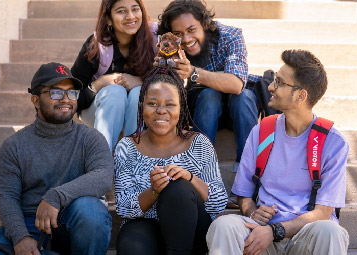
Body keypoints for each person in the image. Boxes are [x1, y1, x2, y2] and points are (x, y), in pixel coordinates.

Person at [206, 50, 349, 255]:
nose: (271, 87)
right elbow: (243, 196)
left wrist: (275, 230)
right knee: (224, 226)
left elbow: (323, 213)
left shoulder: (332, 143)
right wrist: (253, 212)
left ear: (301, 96)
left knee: (330, 231)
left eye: (280, 82)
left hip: (304, 236)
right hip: (260, 234)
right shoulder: (262, 132)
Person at [0, 62, 113, 255]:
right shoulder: (13, 146)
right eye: (56, 92)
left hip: (71, 222)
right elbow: (8, 198)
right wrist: (21, 236)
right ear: (35, 100)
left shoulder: (90, 138)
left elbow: (104, 176)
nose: (66, 99)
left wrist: (56, 196)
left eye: (72, 93)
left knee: (91, 211)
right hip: (29, 224)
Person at [114, 67, 227, 255]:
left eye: (170, 104)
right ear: (141, 106)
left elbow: (219, 203)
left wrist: (190, 178)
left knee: (178, 188)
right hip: (146, 226)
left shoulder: (199, 144)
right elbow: (124, 207)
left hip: (192, 230)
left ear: (181, 107)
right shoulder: (127, 147)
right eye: (152, 103)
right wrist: (154, 191)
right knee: (131, 246)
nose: (161, 111)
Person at [156, 0, 259, 173]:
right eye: (178, 33)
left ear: (204, 24)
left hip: (237, 108)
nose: (187, 39)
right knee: (209, 95)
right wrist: (164, 71)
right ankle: (201, 169)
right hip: (202, 109)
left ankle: (248, 171)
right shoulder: (170, 45)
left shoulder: (230, 35)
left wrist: (193, 72)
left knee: (245, 96)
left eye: (191, 30)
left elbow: (236, 85)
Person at [71, 0, 157, 153]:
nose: (131, 16)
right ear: (109, 18)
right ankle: (101, 161)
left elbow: (175, 80)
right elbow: (72, 98)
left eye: (135, 9)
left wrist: (141, 81)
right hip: (101, 110)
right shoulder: (96, 46)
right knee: (115, 92)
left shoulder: (155, 39)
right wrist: (99, 84)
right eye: (121, 11)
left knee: (139, 92)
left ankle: (132, 159)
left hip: (140, 112)